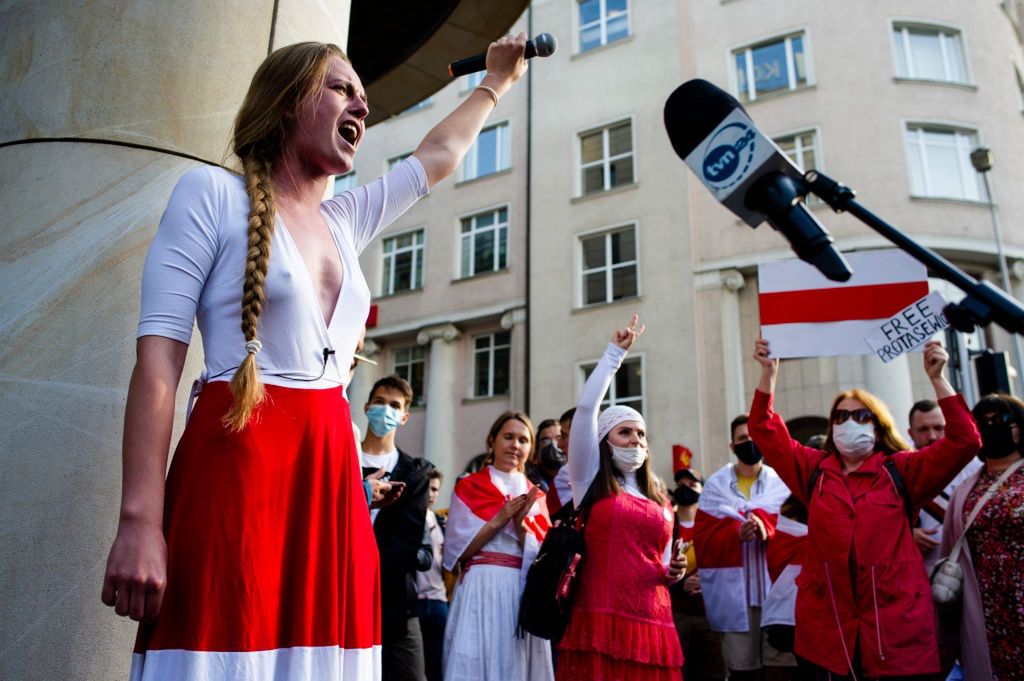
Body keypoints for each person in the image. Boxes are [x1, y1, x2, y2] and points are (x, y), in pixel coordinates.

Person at [100, 35, 530, 681]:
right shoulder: (211, 194)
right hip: (235, 466)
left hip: (331, 476)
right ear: (286, 100)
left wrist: (496, 82)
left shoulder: (345, 219)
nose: (361, 104)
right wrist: (140, 519)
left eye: (363, 95)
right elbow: (158, 364)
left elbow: (438, 156)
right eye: (340, 88)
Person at [748, 338, 981, 680]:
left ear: (877, 426)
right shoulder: (813, 471)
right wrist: (768, 374)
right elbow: (763, 429)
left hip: (894, 629)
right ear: (832, 426)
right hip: (829, 631)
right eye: (841, 416)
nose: (850, 422)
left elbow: (966, 441)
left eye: (860, 415)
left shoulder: (903, 471)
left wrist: (938, 379)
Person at [557, 315, 685, 681]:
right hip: (602, 617)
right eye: (624, 432)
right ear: (603, 442)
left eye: (641, 434)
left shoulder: (660, 498)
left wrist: (675, 572)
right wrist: (615, 354)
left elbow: (662, 563)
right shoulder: (588, 480)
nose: (636, 440)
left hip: (654, 620)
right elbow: (586, 410)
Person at [442, 411, 553, 681]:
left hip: (520, 587)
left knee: (515, 662)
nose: (515, 445)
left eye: (523, 440)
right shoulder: (469, 487)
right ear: (492, 440)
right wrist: (499, 519)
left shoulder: (536, 496)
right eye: (508, 437)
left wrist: (520, 525)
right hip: (480, 583)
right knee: (474, 659)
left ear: (531, 449)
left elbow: (543, 558)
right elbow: (457, 553)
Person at [694, 415, 794, 681]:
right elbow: (703, 539)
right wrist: (735, 533)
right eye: (742, 438)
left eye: (753, 437)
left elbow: (794, 533)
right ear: (732, 445)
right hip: (736, 597)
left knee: (780, 669)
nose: (749, 442)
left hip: (775, 593)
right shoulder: (715, 486)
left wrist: (766, 530)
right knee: (742, 672)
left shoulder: (781, 483)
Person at [939, 393, 1024, 681]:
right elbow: (950, 547)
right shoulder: (966, 489)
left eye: (1000, 420)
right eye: (982, 422)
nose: (991, 427)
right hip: (985, 611)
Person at [360, 375, 435, 681]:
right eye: (379, 402)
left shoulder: (414, 473)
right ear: (366, 407)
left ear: (404, 417)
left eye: (394, 405)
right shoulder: (343, 459)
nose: (385, 410)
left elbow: (407, 542)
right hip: (340, 593)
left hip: (395, 603)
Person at [906, 399, 981, 572]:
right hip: (919, 571)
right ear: (910, 433)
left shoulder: (973, 466)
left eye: (939, 428)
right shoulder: (898, 469)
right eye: (923, 429)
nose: (932, 436)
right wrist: (907, 534)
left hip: (968, 568)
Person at [670, 469, 727, 681]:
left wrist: (710, 582)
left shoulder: (714, 525)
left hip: (710, 615)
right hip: (676, 614)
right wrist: (680, 585)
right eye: (680, 484)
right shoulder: (667, 525)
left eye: (692, 485)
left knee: (712, 672)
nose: (685, 488)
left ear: (703, 490)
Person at [415, 469, 448, 681]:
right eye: (427, 488)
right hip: (415, 601)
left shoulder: (442, 521)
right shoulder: (409, 519)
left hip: (439, 601)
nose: (431, 494)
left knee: (436, 666)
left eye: (435, 489)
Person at [527, 419, 568, 515]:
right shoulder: (528, 486)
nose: (553, 445)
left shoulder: (577, 481)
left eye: (559, 438)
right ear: (537, 450)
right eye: (545, 441)